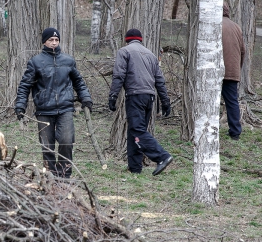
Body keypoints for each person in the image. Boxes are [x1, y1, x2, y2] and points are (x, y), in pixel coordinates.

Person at [15, 27, 93, 178]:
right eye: (51, 40)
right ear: (44, 41)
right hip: (44, 110)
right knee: (47, 146)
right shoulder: (35, 62)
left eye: (56, 40)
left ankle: (64, 176)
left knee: (66, 141)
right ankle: (51, 176)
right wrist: (20, 105)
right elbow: (25, 86)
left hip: (65, 109)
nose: (54, 43)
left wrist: (86, 98)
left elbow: (79, 82)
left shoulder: (68, 61)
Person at [108, 29, 173, 175]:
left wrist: (113, 96)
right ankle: (135, 167)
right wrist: (165, 101)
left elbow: (118, 75)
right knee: (135, 131)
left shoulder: (124, 51)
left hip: (135, 96)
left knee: (137, 130)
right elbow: (160, 81)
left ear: (127, 39)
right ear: (140, 39)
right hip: (150, 97)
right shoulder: (150, 54)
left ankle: (162, 156)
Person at [221, 2, 246, 140]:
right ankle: (235, 131)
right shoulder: (236, 27)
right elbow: (243, 51)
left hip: (216, 70)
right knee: (232, 101)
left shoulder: (213, 25)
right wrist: (237, 68)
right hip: (232, 71)